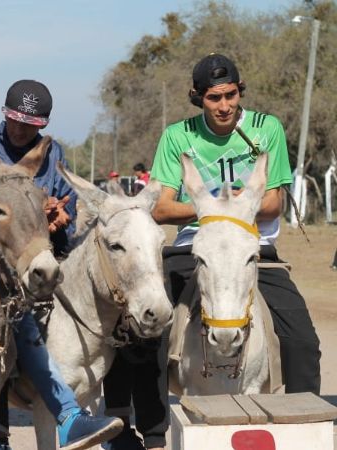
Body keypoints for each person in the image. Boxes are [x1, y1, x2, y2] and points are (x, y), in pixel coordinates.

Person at [103, 53, 322, 450]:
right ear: (198, 98)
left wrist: (238, 206)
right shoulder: (177, 136)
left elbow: (273, 201)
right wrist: (208, 207)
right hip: (193, 246)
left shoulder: (265, 128)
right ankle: (151, 435)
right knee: (146, 333)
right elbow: (163, 206)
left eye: (231, 95)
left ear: (240, 92)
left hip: (252, 248)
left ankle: (302, 431)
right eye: (213, 98)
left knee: (302, 341)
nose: (224, 106)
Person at [0, 79, 121, 450]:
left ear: (42, 125)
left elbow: (65, 219)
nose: (20, 129)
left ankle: (118, 418)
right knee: (0, 328)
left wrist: (57, 223)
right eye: (14, 120)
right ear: (4, 114)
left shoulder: (53, 153)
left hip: (42, 261)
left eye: (29, 124)